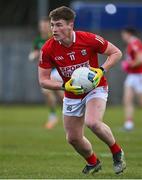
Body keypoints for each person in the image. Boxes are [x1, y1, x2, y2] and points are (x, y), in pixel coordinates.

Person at [38, 6, 126, 175]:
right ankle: (93, 162)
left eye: (58, 25)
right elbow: (43, 80)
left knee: (93, 122)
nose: (54, 29)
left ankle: (116, 151)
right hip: (72, 93)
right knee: (73, 138)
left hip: (95, 87)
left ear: (71, 25)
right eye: (52, 25)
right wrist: (64, 86)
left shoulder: (88, 38)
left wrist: (101, 70)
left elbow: (116, 53)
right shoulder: (48, 48)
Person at [29, 17, 64, 129]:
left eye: (45, 26)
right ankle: (60, 114)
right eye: (41, 26)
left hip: (58, 70)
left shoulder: (54, 38)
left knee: (48, 91)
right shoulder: (38, 40)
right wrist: (33, 55)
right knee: (56, 94)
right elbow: (34, 52)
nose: (43, 28)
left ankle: (56, 116)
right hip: (46, 71)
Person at [121, 27, 142, 130]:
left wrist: (129, 65)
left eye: (124, 34)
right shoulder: (131, 44)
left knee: (140, 102)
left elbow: (140, 59)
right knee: (127, 99)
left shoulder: (135, 43)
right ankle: (128, 124)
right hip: (132, 75)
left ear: (128, 33)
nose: (123, 36)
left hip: (139, 75)